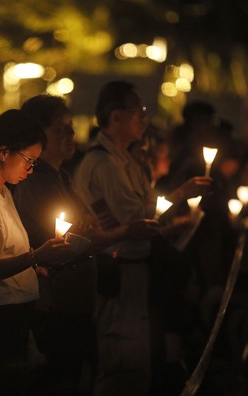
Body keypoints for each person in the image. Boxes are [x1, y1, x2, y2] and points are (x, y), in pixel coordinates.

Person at [13, 94, 160, 395]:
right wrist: (127, 230)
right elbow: (67, 242)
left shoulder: (61, 177)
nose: (71, 135)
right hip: (55, 305)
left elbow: (87, 230)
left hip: (76, 302)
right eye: (61, 129)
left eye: (70, 127)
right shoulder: (37, 183)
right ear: (36, 135)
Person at [73, 81, 211, 396]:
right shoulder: (103, 163)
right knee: (121, 359)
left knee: (136, 359)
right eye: (138, 111)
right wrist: (180, 193)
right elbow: (134, 216)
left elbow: (149, 209)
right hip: (117, 270)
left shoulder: (125, 160)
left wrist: (168, 220)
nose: (143, 118)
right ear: (116, 116)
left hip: (135, 269)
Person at [0, 109, 74, 396]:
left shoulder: (2, 192)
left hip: (11, 317)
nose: (31, 169)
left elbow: (3, 254)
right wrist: (37, 256)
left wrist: (36, 267)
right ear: (4, 152)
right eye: (29, 160)